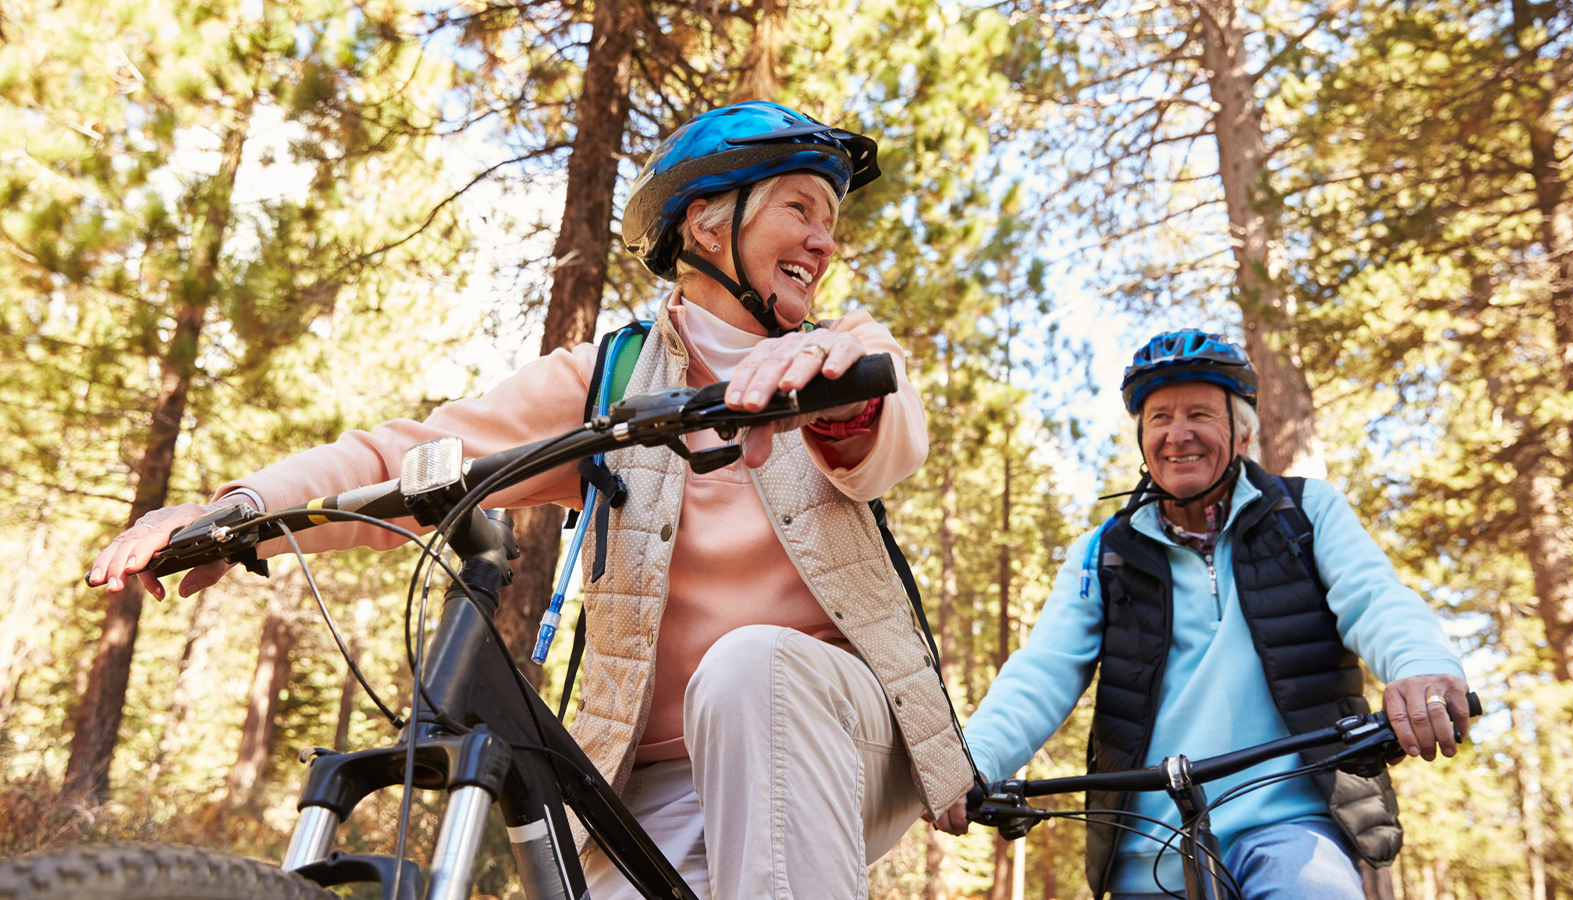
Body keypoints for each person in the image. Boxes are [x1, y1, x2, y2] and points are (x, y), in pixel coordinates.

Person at [89, 101, 972, 900]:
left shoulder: (844, 351)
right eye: (800, 209)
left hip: (838, 735)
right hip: (655, 778)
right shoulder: (609, 379)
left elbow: (885, 432)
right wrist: (236, 514)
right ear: (707, 224)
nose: (825, 241)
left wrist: (841, 393)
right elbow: (408, 456)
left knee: (752, 670)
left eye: (831, 220)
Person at [936, 330, 1471, 900]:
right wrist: (973, 762)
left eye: (1199, 413)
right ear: (1142, 439)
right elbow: (1045, 669)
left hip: (1293, 827)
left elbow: (1376, 601)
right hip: (1148, 839)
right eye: (1159, 417)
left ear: (1241, 432)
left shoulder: (1306, 513)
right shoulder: (1103, 553)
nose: (1178, 434)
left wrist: (1421, 667)